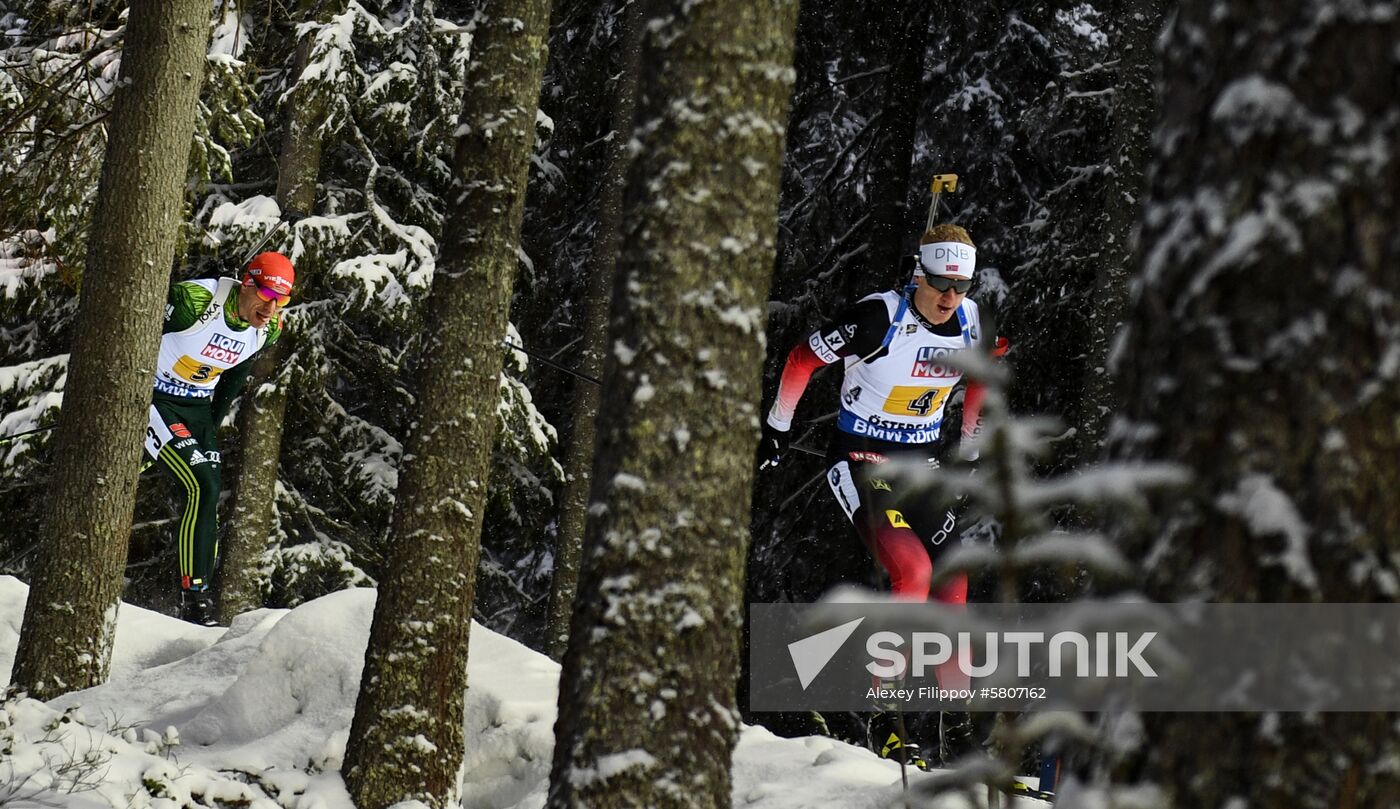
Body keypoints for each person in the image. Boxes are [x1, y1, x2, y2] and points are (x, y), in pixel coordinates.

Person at [757, 222, 1006, 767]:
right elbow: (803, 359)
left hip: (923, 464)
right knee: (912, 572)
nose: (949, 298)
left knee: (952, 580)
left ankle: (960, 729)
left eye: (960, 287)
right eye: (940, 283)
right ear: (920, 273)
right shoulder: (879, 317)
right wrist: (776, 427)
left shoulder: (971, 321)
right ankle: (884, 715)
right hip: (860, 459)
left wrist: (969, 445)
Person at [141, 252, 295, 625]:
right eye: (265, 296)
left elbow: (236, 374)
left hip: (197, 409)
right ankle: (195, 598)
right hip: (153, 396)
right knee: (202, 484)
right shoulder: (193, 301)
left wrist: (210, 423)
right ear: (246, 284)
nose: (271, 308)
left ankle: (197, 596)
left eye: (282, 301)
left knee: (209, 491)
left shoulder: (267, 330)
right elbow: (129, 333)